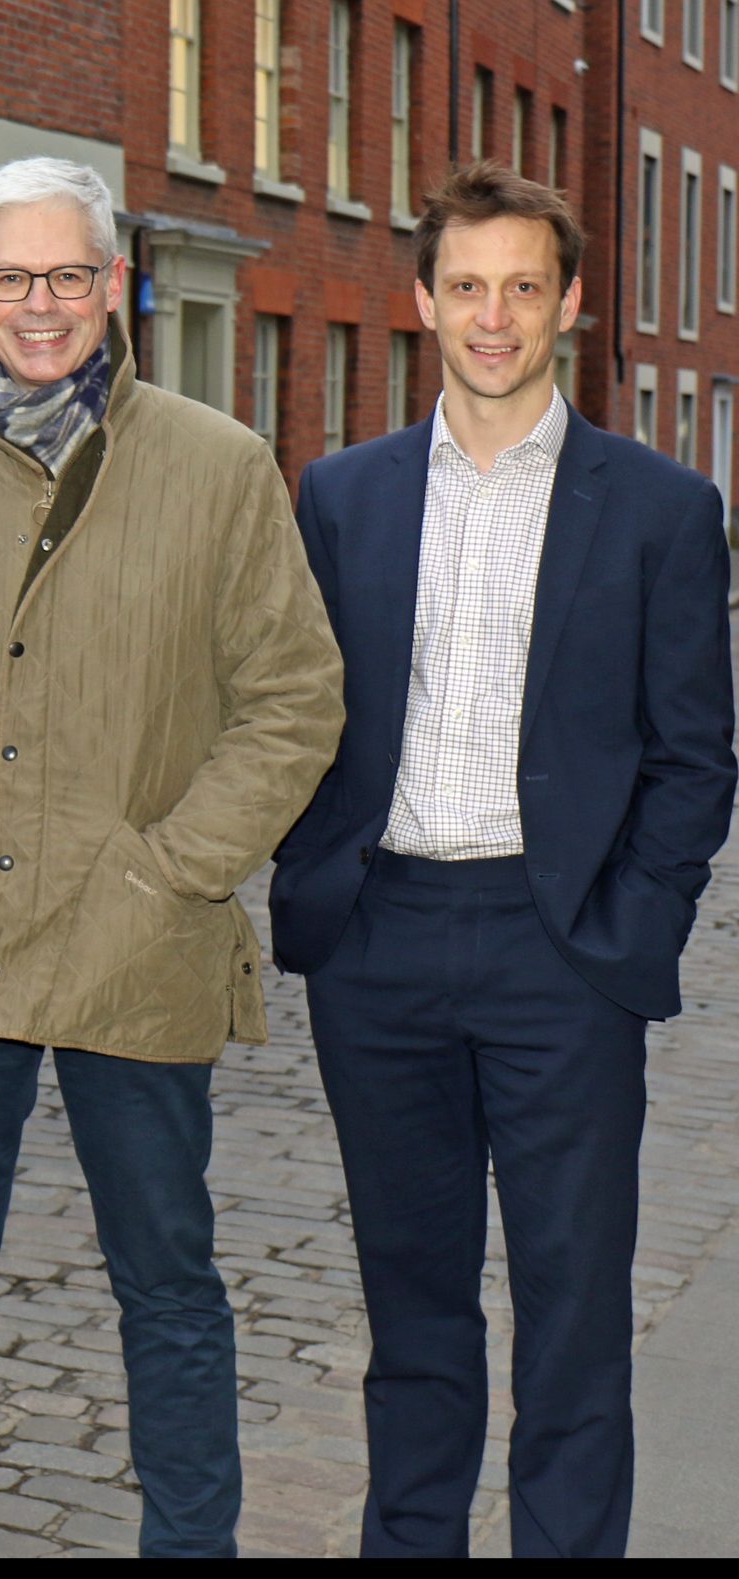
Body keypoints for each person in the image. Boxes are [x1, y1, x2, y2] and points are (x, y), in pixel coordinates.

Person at [0, 156, 344, 1558]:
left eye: (66, 275)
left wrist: (173, 871)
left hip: (136, 944)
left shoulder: (218, 468)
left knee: (167, 1278)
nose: (38, 304)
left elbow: (293, 701)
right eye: (11, 277)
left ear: (114, 284)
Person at [271, 162, 736, 1559]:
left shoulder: (659, 507)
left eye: (522, 287)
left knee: (574, 1316)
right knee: (413, 1313)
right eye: (466, 286)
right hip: (381, 948)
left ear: (569, 303)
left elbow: (695, 755)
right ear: (422, 301)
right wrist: (319, 882)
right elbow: (291, 716)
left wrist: (629, 928)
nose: (493, 316)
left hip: (562, 957)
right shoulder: (340, 496)